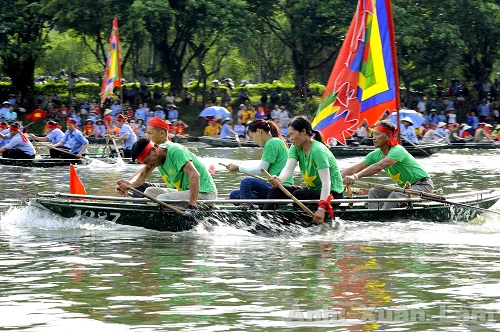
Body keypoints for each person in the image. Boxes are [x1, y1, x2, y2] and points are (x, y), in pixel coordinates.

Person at [263, 116, 344, 224]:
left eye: (292, 134)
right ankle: (264, 221)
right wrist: (280, 179)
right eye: (289, 135)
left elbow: (326, 182)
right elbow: (288, 169)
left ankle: (297, 225)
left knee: (299, 194)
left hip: (332, 193)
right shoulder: (295, 147)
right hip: (314, 190)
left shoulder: (318, 150)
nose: (290, 138)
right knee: (276, 190)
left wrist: (321, 208)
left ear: (303, 132)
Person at [115, 137, 218, 221]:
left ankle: (181, 218)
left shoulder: (175, 151)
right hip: (186, 192)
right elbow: (141, 177)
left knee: (161, 199)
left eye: (148, 162)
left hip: (205, 194)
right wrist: (128, 185)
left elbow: (195, 175)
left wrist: (192, 207)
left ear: (154, 150)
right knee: (149, 192)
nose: (149, 165)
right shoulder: (156, 157)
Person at [342, 120, 433, 210]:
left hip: (423, 185)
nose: (374, 137)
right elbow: (354, 169)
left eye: (377, 134)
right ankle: (373, 217)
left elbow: (379, 166)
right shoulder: (375, 154)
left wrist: (355, 177)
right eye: (373, 134)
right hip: (405, 187)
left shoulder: (397, 150)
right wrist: (335, 178)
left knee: (395, 195)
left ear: (388, 137)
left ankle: (384, 218)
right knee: (374, 192)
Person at [226, 119, 293, 209]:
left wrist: (238, 168)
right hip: (275, 188)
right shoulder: (277, 141)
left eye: (252, 137)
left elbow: (261, 170)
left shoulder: (272, 143)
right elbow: (261, 169)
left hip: (280, 189)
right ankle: (259, 207)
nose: (254, 141)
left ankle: (250, 215)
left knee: (246, 182)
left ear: (259, 131)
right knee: (234, 195)